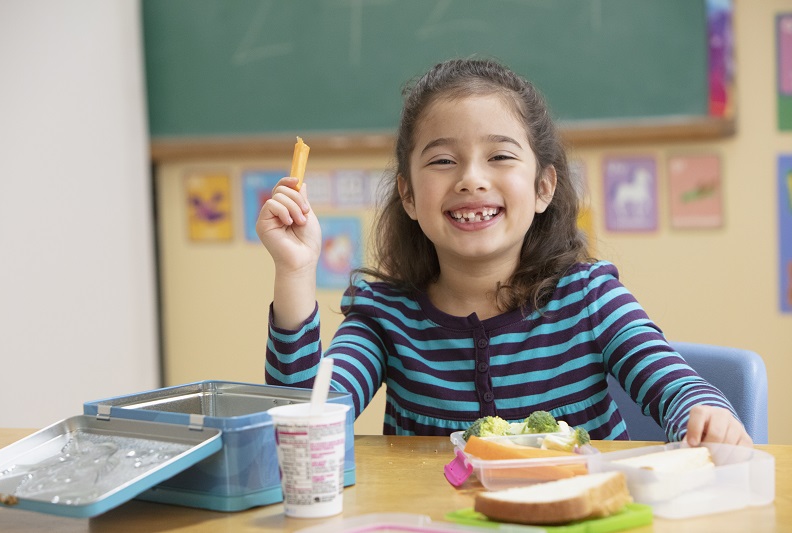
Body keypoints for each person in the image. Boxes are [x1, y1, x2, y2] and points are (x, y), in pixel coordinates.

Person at [257, 57, 752, 447]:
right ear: (408, 195)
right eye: (444, 160)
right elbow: (304, 420)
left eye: (500, 156)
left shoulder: (591, 298)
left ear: (542, 187)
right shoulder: (385, 316)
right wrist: (296, 271)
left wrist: (704, 413)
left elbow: (680, 388)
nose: (472, 178)